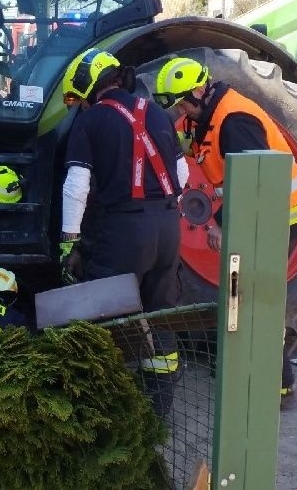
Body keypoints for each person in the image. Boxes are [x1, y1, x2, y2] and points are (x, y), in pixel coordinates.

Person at [152, 55, 297, 400]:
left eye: (182, 103)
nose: (181, 111)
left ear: (199, 90)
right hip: (254, 211)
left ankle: (277, 386)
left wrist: (226, 228)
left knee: (259, 301)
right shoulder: (204, 116)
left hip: (277, 216)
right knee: (239, 297)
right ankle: (245, 367)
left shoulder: (234, 121)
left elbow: (255, 182)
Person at [57, 48, 184, 413]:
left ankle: (101, 413)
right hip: (168, 228)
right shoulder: (158, 113)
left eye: (77, 101)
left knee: (101, 318)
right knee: (160, 316)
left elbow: (76, 184)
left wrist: (68, 240)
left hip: (125, 231)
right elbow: (183, 175)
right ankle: (158, 413)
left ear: (87, 88)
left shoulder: (92, 119)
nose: (78, 108)